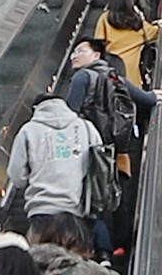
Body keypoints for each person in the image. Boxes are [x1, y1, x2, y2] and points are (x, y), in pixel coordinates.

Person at [8, 75, 100, 226]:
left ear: (35, 109)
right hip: (76, 209)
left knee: (43, 249)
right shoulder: (86, 127)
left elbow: (16, 175)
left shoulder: (28, 130)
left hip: (41, 210)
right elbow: (99, 164)